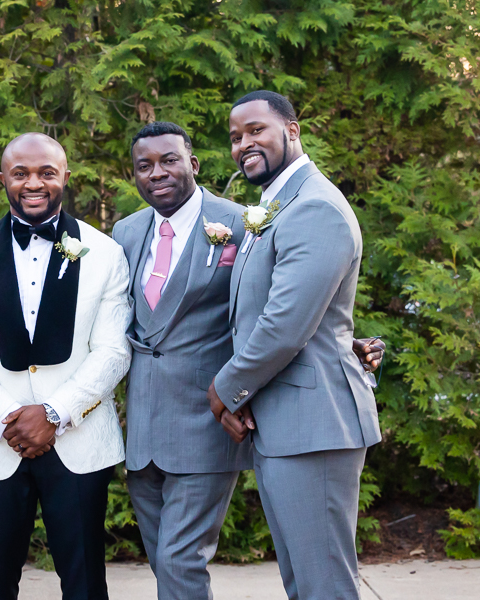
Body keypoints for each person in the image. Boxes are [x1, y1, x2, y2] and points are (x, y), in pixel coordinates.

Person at [114, 122, 384, 599]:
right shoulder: (126, 233)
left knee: (180, 561)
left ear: (193, 164)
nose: (157, 173)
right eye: (144, 166)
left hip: (209, 418)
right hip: (144, 429)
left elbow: (283, 303)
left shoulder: (244, 221)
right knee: (167, 565)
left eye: (170, 160)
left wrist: (343, 342)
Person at [0, 132, 131, 600]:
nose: (33, 183)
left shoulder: (106, 254)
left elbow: (113, 351)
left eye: (46, 172)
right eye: (20, 173)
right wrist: (8, 419)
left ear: (65, 176)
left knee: (86, 583)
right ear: (3, 178)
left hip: (79, 441)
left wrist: (53, 414)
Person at [208, 90, 382, 600]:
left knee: (323, 584)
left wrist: (225, 390)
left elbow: (285, 324)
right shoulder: (276, 206)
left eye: (256, 130)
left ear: (292, 129)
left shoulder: (315, 207)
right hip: (286, 422)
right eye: (236, 137)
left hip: (315, 425)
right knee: (303, 582)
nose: (244, 144)